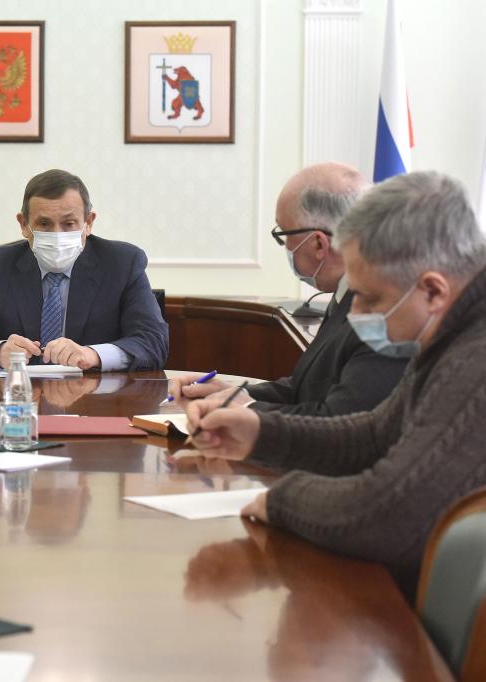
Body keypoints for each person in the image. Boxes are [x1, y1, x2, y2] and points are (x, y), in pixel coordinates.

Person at [186, 171, 486, 599]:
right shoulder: (452, 330)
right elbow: (375, 433)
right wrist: (259, 432)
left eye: (370, 298)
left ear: (434, 292)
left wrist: (281, 501)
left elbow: (389, 514)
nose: (355, 313)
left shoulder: (475, 359)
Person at [170, 162, 408, 415]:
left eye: (284, 234)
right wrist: (233, 394)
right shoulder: (345, 293)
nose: (285, 246)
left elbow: (339, 421)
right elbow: (306, 388)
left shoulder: (382, 315)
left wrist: (248, 410)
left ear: (318, 244)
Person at [0, 169, 169, 370]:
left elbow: (153, 341)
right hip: (20, 394)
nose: (57, 235)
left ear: (88, 222)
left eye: (69, 224)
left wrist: (92, 355)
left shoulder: (122, 263)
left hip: (97, 396)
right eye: (44, 224)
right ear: (24, 224)